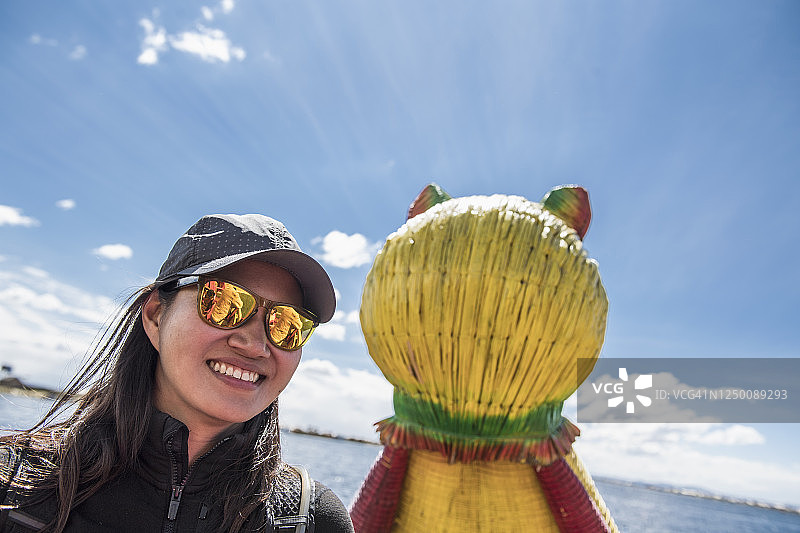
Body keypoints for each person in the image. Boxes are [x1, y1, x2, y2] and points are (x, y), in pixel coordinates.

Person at [0, 214, 355, 533]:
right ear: (156, 316)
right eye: (222, 302)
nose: (255, 344)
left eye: (287, 324)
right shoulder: (14, 484)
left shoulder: (311, 520)